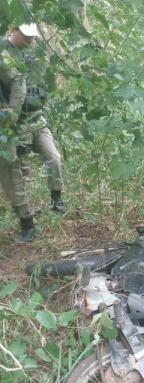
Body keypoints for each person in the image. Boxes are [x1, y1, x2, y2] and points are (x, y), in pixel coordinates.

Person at [0, 23, 66, 244]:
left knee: (54, 158)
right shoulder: (3, 51)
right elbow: (16, 84)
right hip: (11, 125)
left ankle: (57, 199)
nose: (30, 41)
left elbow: (40, 85)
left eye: (32, 37)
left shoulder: (32, 55)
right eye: (26, 36)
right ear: (14, 30)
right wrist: (11, 116)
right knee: (12, 171)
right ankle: (26, 223)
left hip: (36, 119)